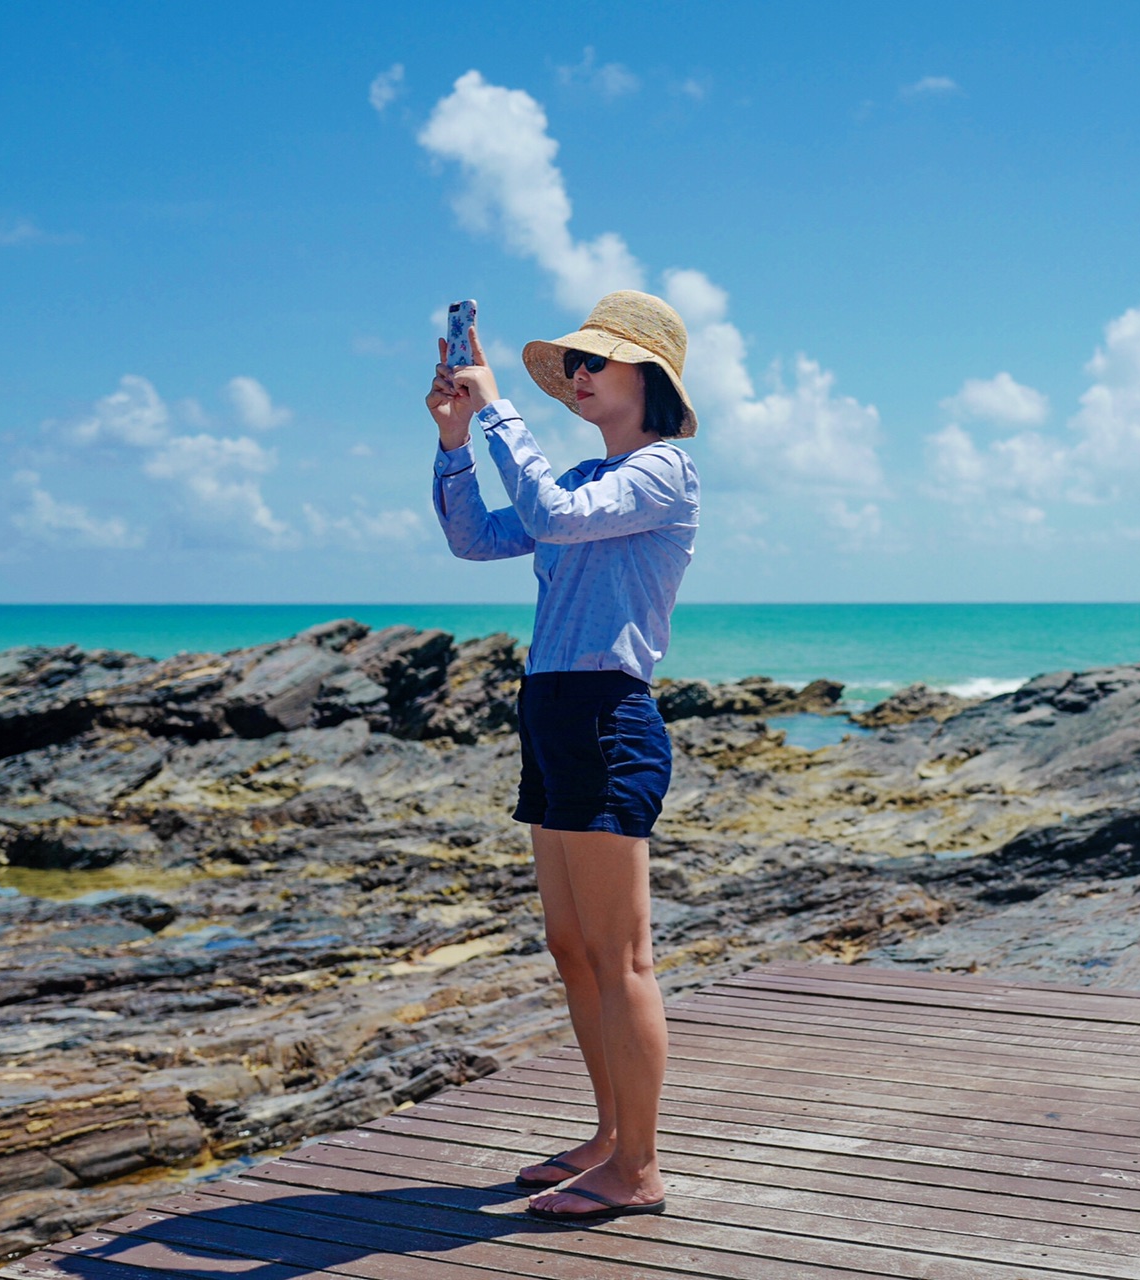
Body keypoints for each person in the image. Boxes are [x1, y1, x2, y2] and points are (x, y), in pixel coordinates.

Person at [425, 290, 701, 1222]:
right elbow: (474, 538)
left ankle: (642, 1167)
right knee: (573, 949)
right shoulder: (586, 476)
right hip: (548, 708)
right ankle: (609, 1137)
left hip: (604, 712)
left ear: (647, 379)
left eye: (594, 363)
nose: (577, 377)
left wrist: (500, 406)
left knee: (622, 958)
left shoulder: (664, 474)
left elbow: (545, 512)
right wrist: (456, 441)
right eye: (571, 366)